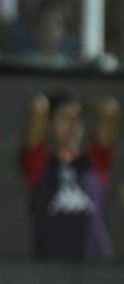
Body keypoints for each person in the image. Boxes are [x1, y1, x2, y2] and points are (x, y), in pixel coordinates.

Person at [22, 93, 118, 261]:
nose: (72, 125)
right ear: (49, 125)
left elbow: (110, 111)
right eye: (65, 118)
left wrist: (87, 103)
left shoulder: (94, 161)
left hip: (96, 265)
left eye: (77, 119)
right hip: (51, 265)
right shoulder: (38, 162)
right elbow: (38, 108)